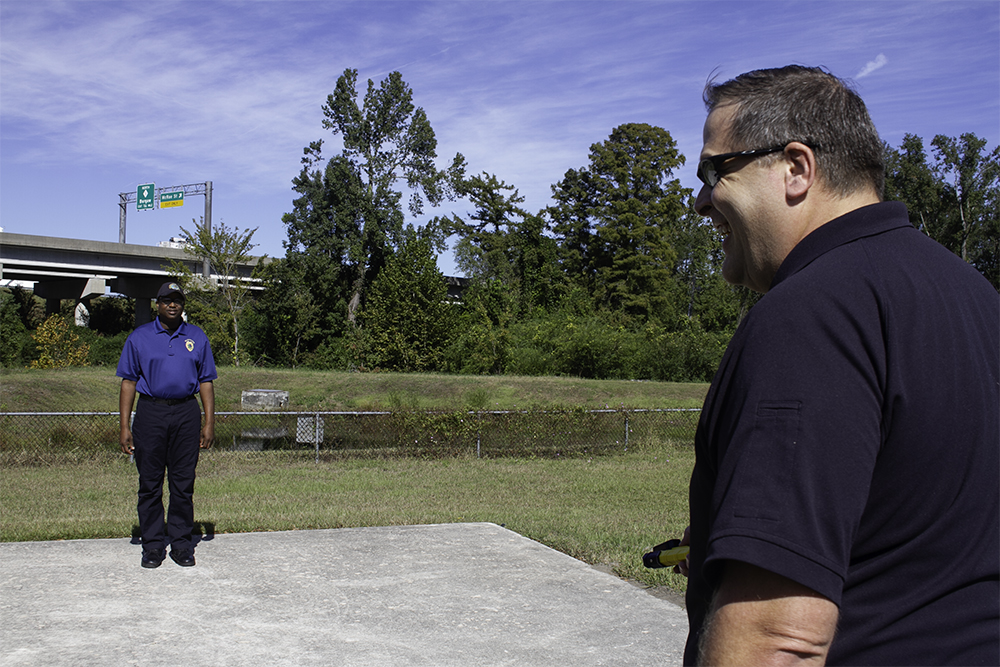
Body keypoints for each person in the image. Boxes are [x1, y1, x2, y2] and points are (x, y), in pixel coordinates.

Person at [679, 65, 999, 665]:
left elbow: (777, 640)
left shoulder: (810, 313)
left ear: (795, 168)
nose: (701, 200)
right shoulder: (976, 298)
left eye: (714, 170)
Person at [118, 282, 217, 568]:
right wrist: (125, 426)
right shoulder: (140, 337)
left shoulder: (196, 337)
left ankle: (182, 544)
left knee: (183, 483)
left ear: (183, 304)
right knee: (150, 483)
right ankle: (152, 545)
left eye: (177, 300)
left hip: (186, 412)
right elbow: (128, 383)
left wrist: (209, 422)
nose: (172, 305)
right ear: (157, 305)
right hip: (151, 413)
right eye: (166, 300)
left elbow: (206, 382)